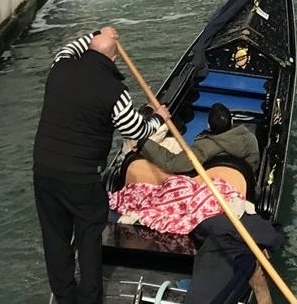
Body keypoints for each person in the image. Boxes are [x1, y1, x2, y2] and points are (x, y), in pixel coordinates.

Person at [33, 25, 170, 304]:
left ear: (88, 48)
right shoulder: (115, 91)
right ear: (114, 59)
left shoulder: (60, 65)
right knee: (89, 238)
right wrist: (159, 118)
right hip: (82, 178)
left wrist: (99, 32)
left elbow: (73, 45)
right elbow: (135, 130)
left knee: (55, 238)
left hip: (44, 170)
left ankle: (64, 298)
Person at [138, 102, 261, 178]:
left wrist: (143, 142)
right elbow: (253, 166)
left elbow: (172, 164)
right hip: (242, 184)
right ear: (232, 122)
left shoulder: (203, 147)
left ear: (208, 126)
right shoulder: (250, 139)